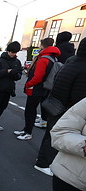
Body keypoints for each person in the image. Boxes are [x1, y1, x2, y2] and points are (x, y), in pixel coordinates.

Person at [34, 37, 86, 177]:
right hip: (66, 108)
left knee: (51, 134)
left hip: (56, 103)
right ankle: (43, 163)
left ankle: (42, 159)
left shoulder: (71, 63)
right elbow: (80, 94)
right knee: (58, 136)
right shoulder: (82, 68)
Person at [14, 38, 61, 140]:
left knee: (30, 111)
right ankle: (26, 129)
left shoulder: (43, 59)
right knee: (32, 110)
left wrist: (28, 84)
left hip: (36, 89)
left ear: (42, 46)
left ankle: (27, 132)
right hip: (45, 88)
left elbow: (38, 77)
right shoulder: (53, 58)